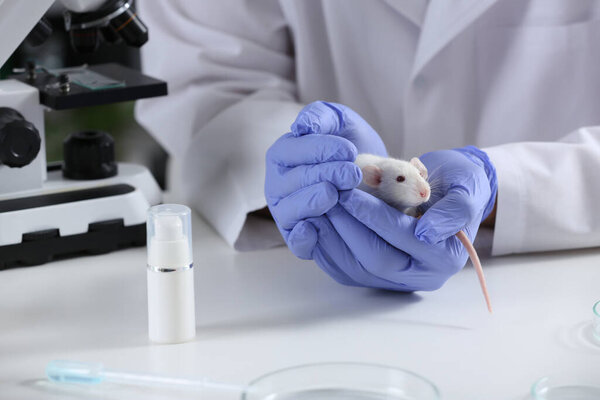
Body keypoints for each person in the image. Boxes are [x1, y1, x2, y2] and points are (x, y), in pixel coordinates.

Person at [135, 0, 600, 291]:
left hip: (563, 279)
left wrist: (510, 185)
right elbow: (207, 82)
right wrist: (296, 166)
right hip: (296, 285)